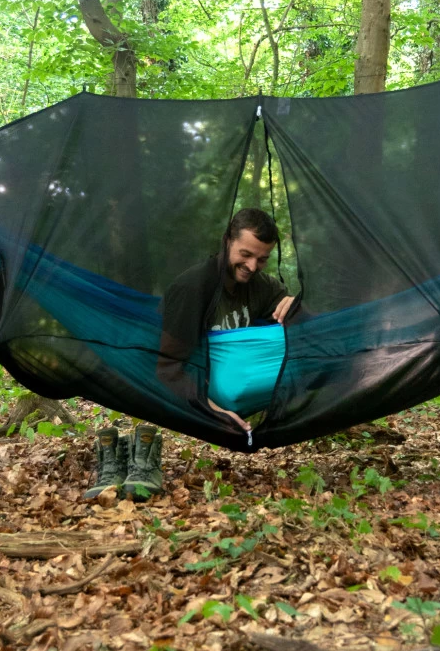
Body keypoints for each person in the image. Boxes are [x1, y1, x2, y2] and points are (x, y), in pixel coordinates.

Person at [86, 208, 298, 500]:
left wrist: (294, 304)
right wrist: (213, 410)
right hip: (182, 386)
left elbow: (305, 326)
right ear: (227, 241)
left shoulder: (261, 286)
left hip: (232, 385)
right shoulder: (193, 288)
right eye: (245, 254)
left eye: (262, 259)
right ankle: (135, 456)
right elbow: (167, 369)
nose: (252, 266)